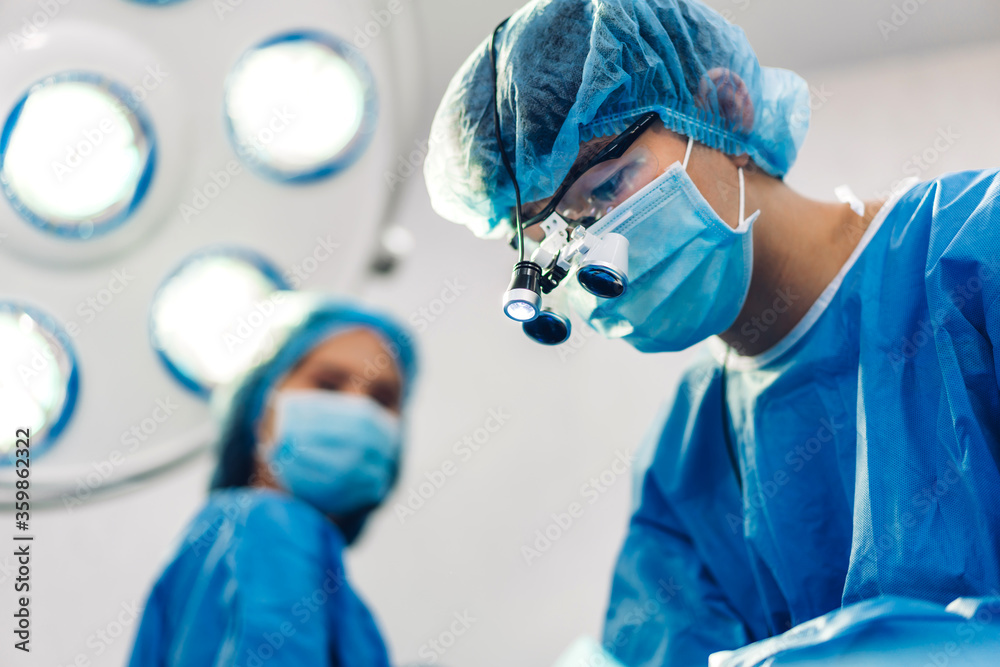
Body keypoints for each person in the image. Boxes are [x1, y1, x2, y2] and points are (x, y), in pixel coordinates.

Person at [424, 0, 1000, 664]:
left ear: (725, 106)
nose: (592, 250)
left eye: (608, 187)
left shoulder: (970, 254)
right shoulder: (691, 456)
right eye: (561, 232)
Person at [128, 294, 417, 667]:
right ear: (262, 410)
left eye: (382, 398)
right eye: (329, 385)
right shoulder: (270, 525)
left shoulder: (264, 542)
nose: (357, 408)